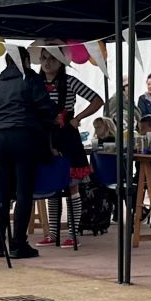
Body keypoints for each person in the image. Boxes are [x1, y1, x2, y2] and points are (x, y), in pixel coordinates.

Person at [0, 52, 57, 258]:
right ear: (24, 61)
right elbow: (45, 108)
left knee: (2, 191)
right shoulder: (30, 79)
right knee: (24, 191)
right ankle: (18, 244)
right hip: (24, 135)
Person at [38, 48, 104, 247]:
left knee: (71, 184)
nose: (47, 63)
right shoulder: (35, 83)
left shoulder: (70, 81)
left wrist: (78, 118)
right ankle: (53, 233)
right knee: (52, 184)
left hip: (67, 135)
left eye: (52, 59)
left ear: (60, 62)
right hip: (46, 136)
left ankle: (73, 233)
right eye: (44, 58)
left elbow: (97, 99)